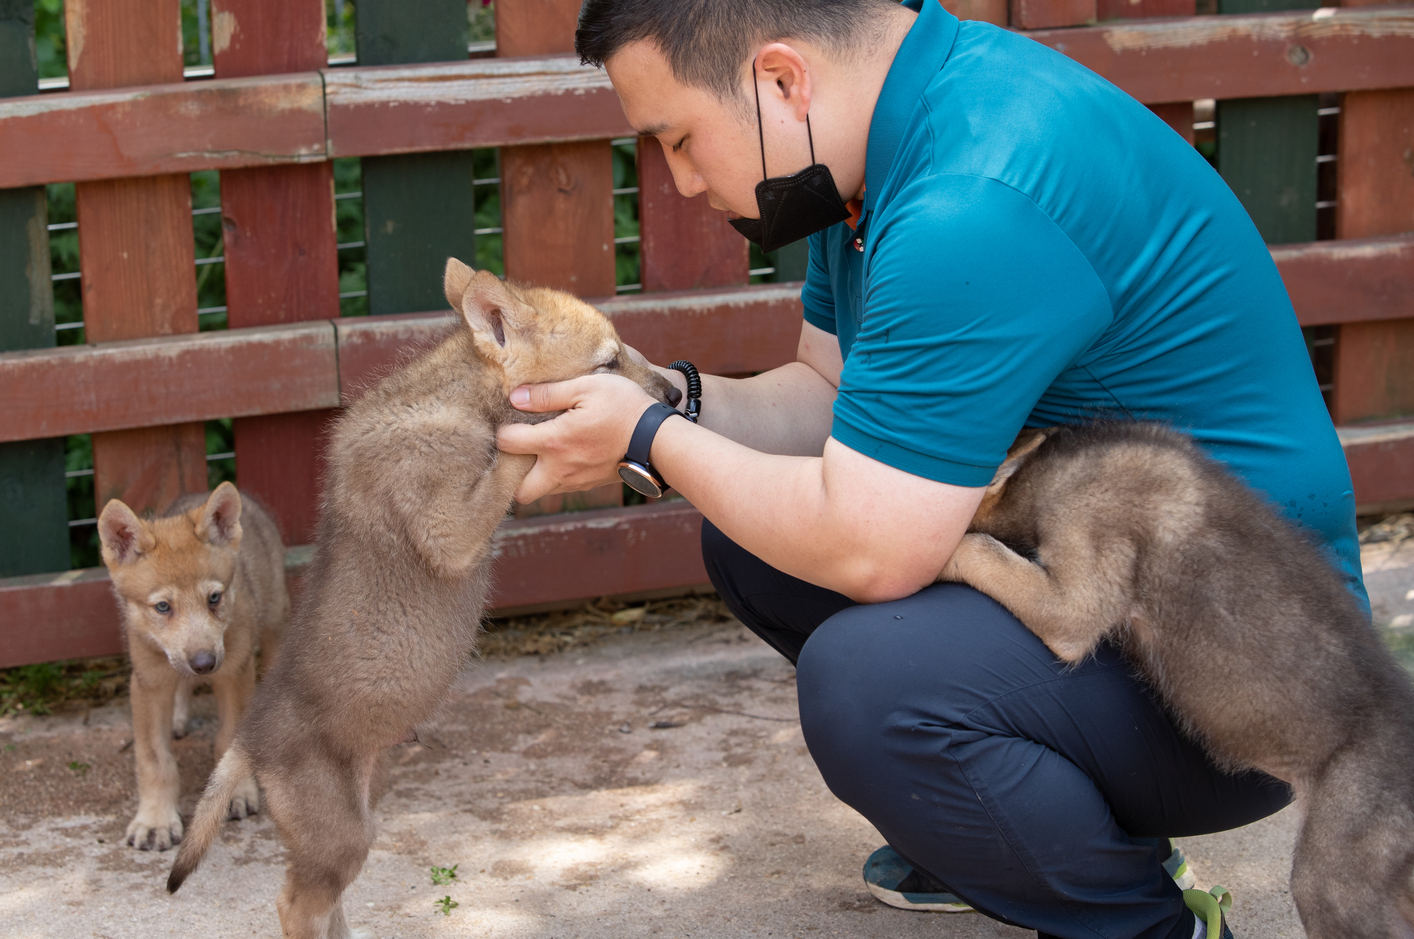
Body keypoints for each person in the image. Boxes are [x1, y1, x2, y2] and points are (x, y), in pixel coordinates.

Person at [494, 1, 1369, 937]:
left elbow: (875, 551)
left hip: (1245, 684)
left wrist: (643, 439)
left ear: (780, 80)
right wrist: (662, 396)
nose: (676, 180)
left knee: (871, 684)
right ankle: (1008, 826)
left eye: (678, 139)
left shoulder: (971, 199)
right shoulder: (871, 143)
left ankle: (1150, 921)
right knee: (750, 531)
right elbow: (829, 397)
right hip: (1108, 580)